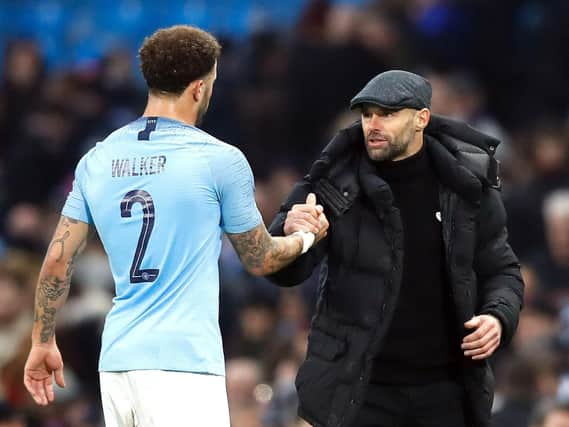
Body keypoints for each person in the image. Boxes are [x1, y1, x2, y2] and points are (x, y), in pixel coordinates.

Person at [22, 25, 328, 427]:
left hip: (117, 362)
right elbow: (261, 258)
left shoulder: (98, 158)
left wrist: (42, 340)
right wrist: (306, 236)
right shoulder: (219, 159)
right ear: (199, 88)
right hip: (183, 363)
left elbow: (57, 261)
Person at [268, 70, 524, 427]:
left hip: (446, 391)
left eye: (387, 114)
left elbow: (502, 270)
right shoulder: (334, 181)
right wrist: (291, 235)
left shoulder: (466, 185)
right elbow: (281, 271)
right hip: (358, 388)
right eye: (366, 114)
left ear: (421, 119)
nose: (372, 124)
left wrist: (498, 316)